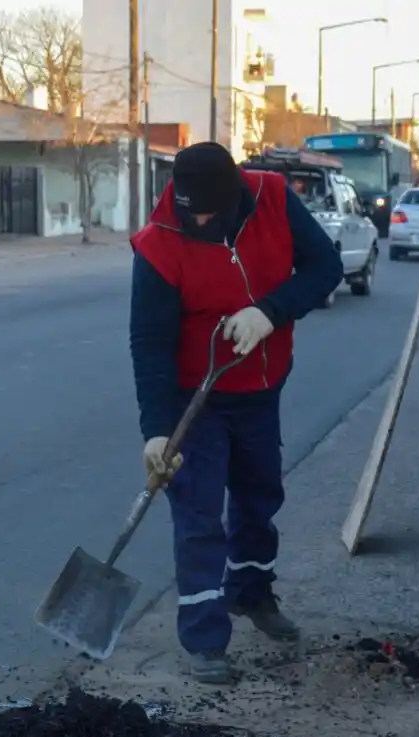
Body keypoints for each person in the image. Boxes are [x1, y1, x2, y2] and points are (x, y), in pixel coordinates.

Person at [128, 141, 344, 684]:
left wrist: (269, 312)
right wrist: (156, 431)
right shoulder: (158, 245)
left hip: (260, 384)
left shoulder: (272, 197)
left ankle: (252, 593)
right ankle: (204, 636)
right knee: (198, 511)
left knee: (259, 494)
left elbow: (325, 267)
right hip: (192, 394)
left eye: (208, 210)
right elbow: (149, 341)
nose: (196, 218)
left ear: (234, 198)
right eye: (188, 207)